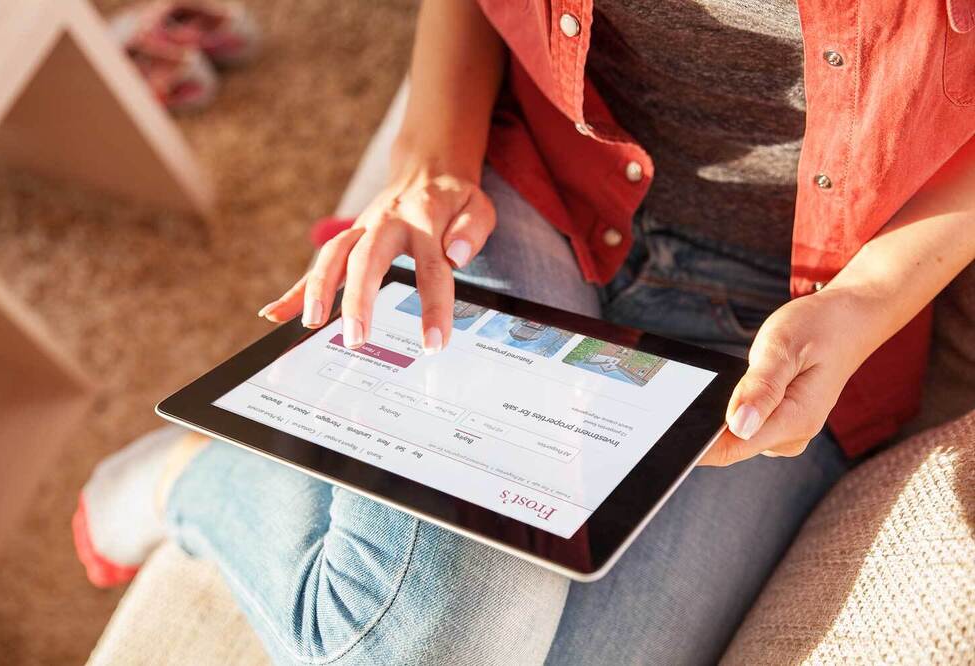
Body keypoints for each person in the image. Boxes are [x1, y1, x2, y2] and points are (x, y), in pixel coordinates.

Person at [74, 1, 975, 663]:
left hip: (792, 301)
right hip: (534, 198)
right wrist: (430, 166)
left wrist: (866, 302)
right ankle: (182, 482)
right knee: (430, 648)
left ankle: (217, 469)